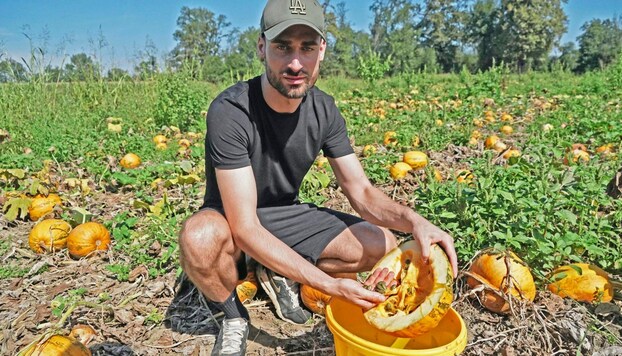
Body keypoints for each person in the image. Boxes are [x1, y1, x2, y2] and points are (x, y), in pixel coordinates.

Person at [178, 0, 458, 355]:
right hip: (232, 218)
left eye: (307, 47)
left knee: (382, 244)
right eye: (283, 47)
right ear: (262, 47)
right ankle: (233, 315)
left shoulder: (324, 109)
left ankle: (274, 268)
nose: (296, 63)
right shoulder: (231, 110)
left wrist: (415, 222)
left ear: (321, 50)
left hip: (283, 214)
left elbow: (362, 192)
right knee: (199, 238)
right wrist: (328, 284)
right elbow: (245, 225)